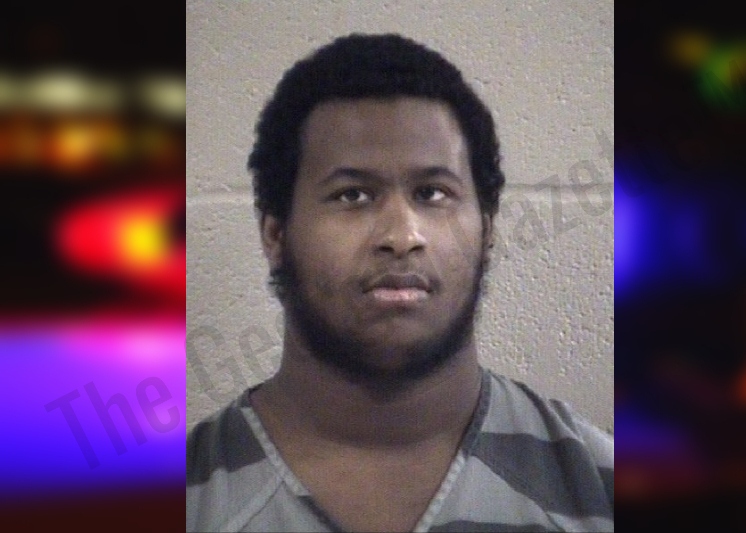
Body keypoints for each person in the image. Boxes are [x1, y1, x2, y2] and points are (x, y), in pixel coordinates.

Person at [187, 33, 613, 533]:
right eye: (352, 195)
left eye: (432, 193)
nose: (401, 236)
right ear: (276, 233)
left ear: (487, 230)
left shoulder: (600, 487)